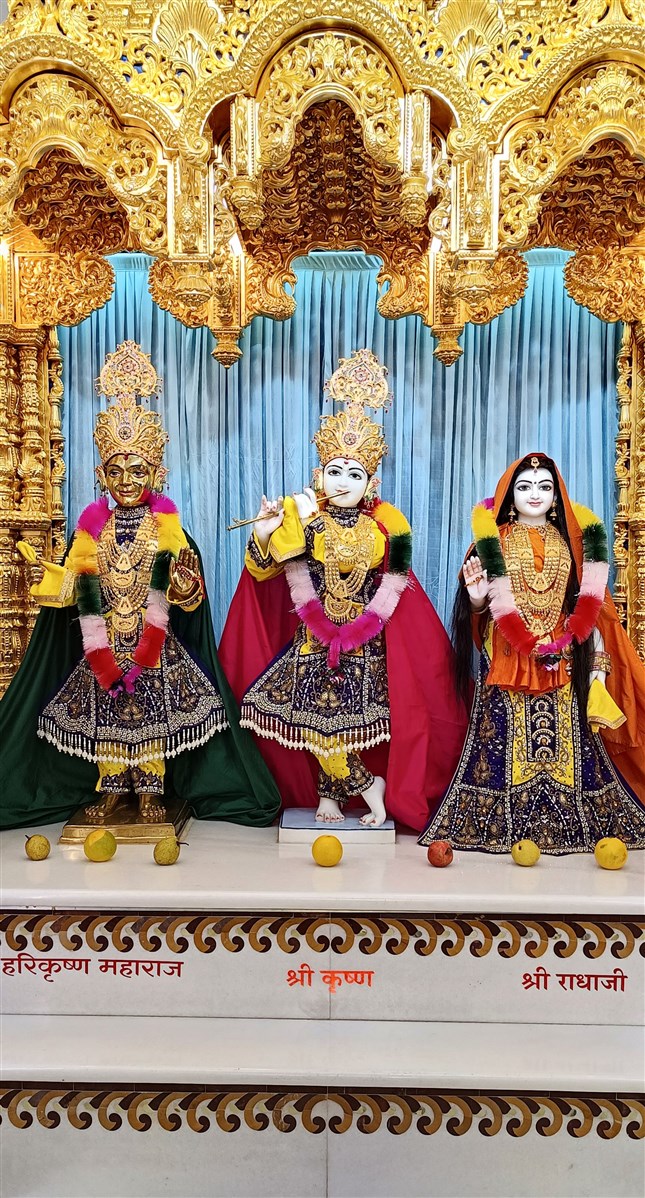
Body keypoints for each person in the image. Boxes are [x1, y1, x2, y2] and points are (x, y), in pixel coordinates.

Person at [0, 341, 280, 831]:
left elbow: (190, 602)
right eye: (115, 471)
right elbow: (73, 593)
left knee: (151, 718)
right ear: (100, 474)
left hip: (155, 647)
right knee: (106, 718)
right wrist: (48, 572)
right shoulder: (88, 534)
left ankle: (151, 790)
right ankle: (112, 790)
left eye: (137, 470)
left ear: (156, 472)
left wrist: (186, 586)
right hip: (104, 642)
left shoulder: (171, 532)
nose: (126, 480)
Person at [219, 349, 469, 830]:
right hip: (311, 640)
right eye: (335, 471)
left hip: (362, 642)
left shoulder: (381, 530)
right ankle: (363, 785)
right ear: (319, 476)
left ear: (371, 483)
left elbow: (389, 581)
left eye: (355, 474)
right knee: (311, 724)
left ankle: (338, 792)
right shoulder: (305, 522)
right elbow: (267, 570)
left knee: (343, 725)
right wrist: (269, 531)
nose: (343, 482)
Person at [419, 453, 645, 854]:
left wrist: (592, 659)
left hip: (563, 655)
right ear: (510, 495)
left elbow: (587, 606)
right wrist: (476, 599)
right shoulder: (493, 540)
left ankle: (569, 823)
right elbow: (478, 609)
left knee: (567, 740)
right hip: (508, 653)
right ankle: (498, 825)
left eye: (544, 487)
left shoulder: (570, 541)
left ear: (557, 495)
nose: (535, 494)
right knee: (503, 738)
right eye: (524, 487)